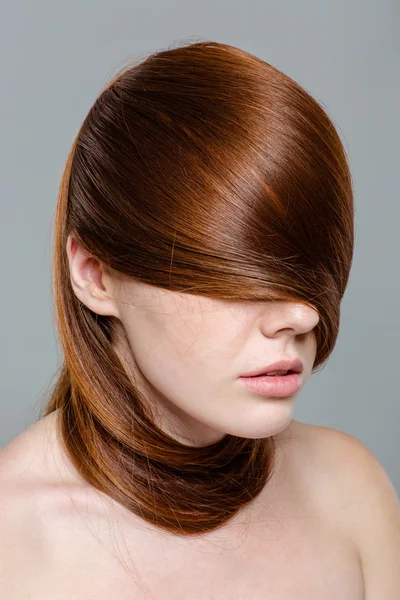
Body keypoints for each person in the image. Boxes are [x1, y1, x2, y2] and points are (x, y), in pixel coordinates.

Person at [0, 39, 399, 599]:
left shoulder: (349, 488)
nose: (302, 313)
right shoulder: (11, 540)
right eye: (233, 276)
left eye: (307, 272)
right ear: (95, 275)